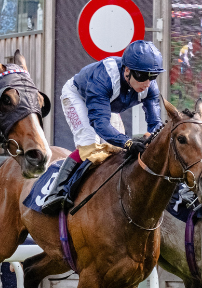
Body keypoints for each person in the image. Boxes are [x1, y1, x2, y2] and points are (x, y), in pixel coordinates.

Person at [39, 40, 164, 214]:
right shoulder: (104, 77)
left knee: (117, 151)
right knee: (90, 146)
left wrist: (149, 138)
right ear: (127, 71)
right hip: (78, 97)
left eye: (153, 76)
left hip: (107, 104)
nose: (147, 83)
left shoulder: (149, 87)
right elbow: (100, 124)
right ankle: (56, 192)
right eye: (142, 76)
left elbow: (155, 123)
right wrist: (128, 142)